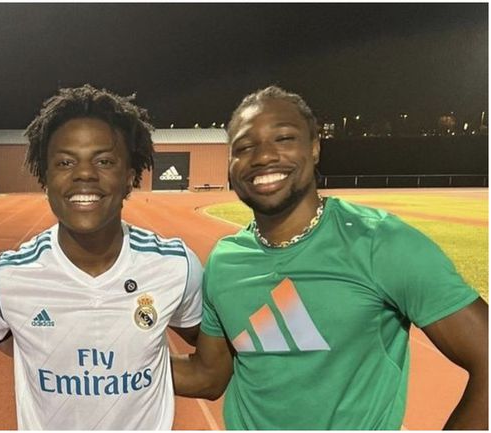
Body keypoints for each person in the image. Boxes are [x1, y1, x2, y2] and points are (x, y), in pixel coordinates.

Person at [172, 85, 488, 430]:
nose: (263, 157)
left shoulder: (379, 243)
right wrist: (113, 358)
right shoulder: (225, 261)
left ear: (315, 147)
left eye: (284, 139)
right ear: (231, 162)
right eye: (245, 147)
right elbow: (209, 376)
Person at [0, 84, 203, 429]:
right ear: (45, 177)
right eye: (65, 162)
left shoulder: (176, 266)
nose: (84, 174)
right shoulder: (5, 279)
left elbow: (212, 373)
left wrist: (142, 364)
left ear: (129, 177)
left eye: (104, 161)